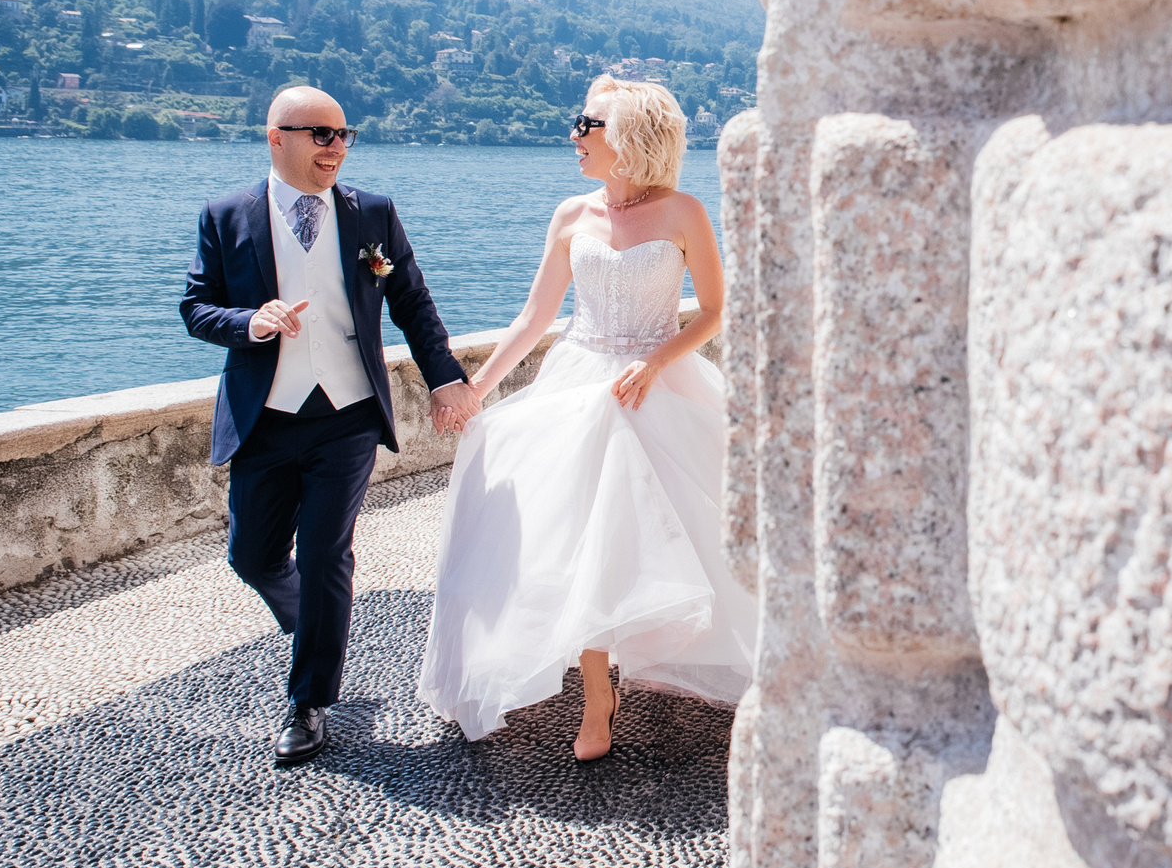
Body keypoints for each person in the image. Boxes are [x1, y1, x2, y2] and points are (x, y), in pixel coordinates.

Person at [416, 77, 755, 760]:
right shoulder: (571, 215)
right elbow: (535, 317)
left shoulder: (684, 212)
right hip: (579, 382)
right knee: (574, 539)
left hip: (653, 382)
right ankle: (598, 695)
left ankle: (697, 656)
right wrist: (476, 386)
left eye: (586, 122)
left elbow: (718, 310)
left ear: (627, 134)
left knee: (676, 534)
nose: (574, 134)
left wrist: (657, 362)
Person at [181, 85, 477, 767]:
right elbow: (196, 306)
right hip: (266, 417)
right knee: (251, 557)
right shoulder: (225, 215)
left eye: (344, 134)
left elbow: (410, 298)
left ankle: (309, 700)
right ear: (275, 136)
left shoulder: (372, 213)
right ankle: (313, 621)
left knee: (323, 554)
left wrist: (445, 375)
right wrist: (248, 322)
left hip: (345, 415)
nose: (336, 146)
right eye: (320, 133)